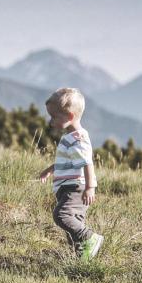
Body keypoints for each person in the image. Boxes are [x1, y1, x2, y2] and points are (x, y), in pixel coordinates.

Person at [39, 87, 104, 261]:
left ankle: (90, 237)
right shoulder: (71, 137)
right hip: (69, 187)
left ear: (69, 117)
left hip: (75, 188)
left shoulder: (78, 139)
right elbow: (69, 161)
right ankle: (82, 257)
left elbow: (86, 162)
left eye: (54, 117)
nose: (50, 121)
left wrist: (90, 187)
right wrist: (50, 169)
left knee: (62, 215)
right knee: (73, 223)